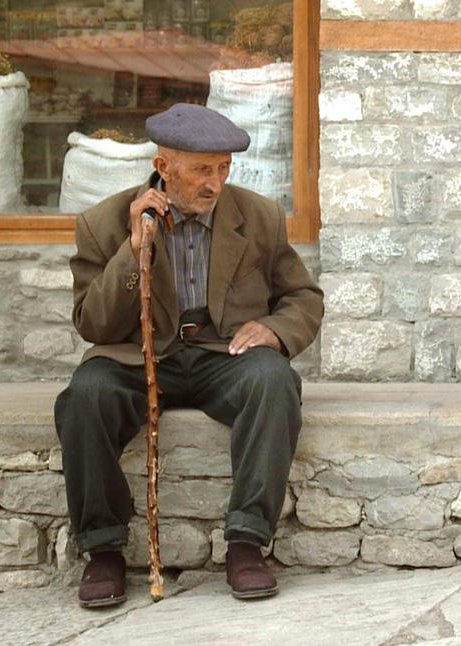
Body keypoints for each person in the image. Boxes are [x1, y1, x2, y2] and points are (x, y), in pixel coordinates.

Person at [54, 103, 324, 607]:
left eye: (223, 168)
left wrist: (273, 329)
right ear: (164, 167)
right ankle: (103, 549)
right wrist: (134, 249)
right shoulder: (102, 223)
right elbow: (92, 323)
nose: (215, 183)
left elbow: (303, 297)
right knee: (85, 395)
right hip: (139, 357)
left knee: (274, 380)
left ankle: (247, 542)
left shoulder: (259, 217)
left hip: (224, 355)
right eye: (202, 170)